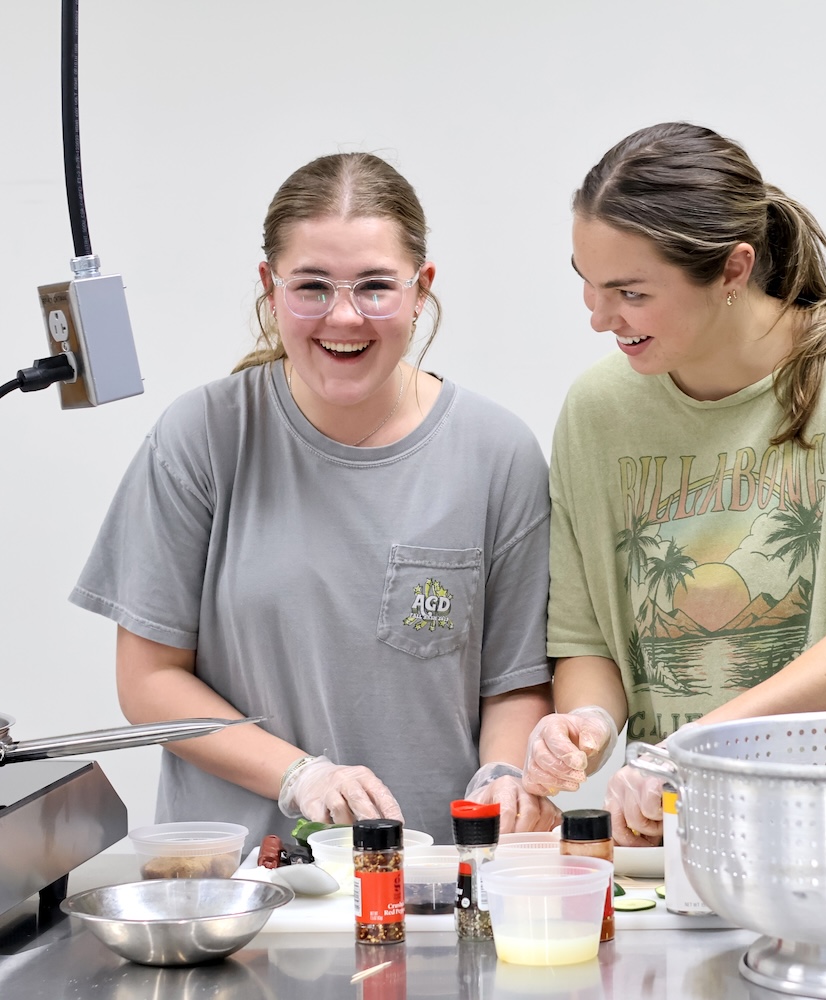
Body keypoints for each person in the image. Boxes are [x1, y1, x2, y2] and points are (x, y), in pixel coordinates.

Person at [70, 152, 560, 848]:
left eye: (375, 286)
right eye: (312, 286)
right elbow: (149, 683)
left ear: (421, 290)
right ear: (270, 288)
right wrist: (298, 775)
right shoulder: (204, 438)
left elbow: (513, 681)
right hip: (237, 893)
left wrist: (502, 775)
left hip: (425, 885)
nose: (344, 316)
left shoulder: (497, 452)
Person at [521, 122, 826, 845]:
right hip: (693, 836)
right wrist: (587, 726)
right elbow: (588, 642)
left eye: (630, 292)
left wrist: (692, 746)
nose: (600, 318)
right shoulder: (598, 410)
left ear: (732, 268)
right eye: (588, 284)